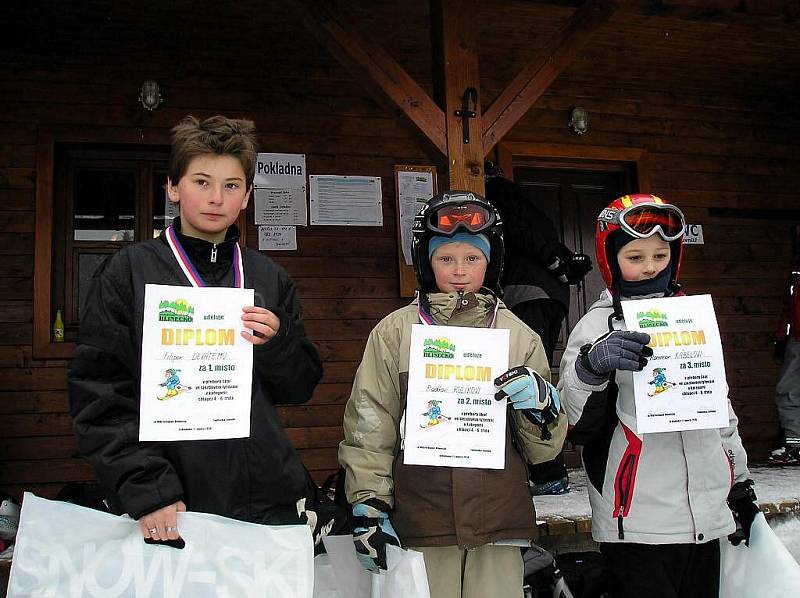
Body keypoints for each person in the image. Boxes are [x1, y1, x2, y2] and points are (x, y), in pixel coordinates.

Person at [68, 115, 328, 545]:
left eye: (231, 186)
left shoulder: (267, 277)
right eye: (201, 182)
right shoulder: (129, 272)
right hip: (174, 501)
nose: (216, 198)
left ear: (246, 197)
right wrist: (148, 488)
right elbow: (98, 394)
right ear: (173, 187)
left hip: (263, 501)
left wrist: (278, 344)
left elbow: (298, 387)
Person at [339, 190, 567, 598]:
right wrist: (369, 502)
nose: (459, 271)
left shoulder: (517, 335)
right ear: (426, 261)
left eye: (472, 259)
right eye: (446, 258)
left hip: (498, 518)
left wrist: (541, 408)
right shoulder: (395, 333)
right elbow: (370, 423)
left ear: (490, 262)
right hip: (424, 518)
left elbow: (543, 451)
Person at [557, 194, 759, 598]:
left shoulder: (693, 319)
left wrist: (739, 483)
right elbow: (573, 423)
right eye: (635, 256)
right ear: (612, 261)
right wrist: (590, 369)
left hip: (704, 518)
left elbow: (719, 410)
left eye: (660, 254)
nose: (650, 266)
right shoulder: (596, 324)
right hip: (636, 520)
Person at [485, 174, 593, 496]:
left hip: (527, 296)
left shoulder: (497, 194)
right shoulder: (528, 204)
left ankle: (548, 472)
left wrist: (555, 261)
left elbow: (524, 233)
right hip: (548, 296)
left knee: (526, 380)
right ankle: (546, 470)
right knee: (531, 378)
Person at [770, 263, 800, 465]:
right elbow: (788, 311)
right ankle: (795, 445)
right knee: (788, 390)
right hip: (797, 339)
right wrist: (781, 337)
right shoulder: (795, 276)